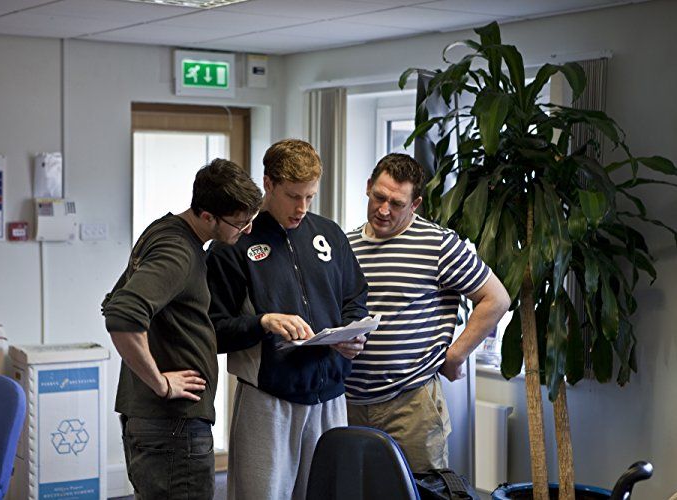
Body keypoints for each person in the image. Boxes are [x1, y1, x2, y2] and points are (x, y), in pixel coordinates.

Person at [206, 139, 369, 500]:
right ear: (268, 184)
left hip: (330, 398)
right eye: (294, 196)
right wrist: (262, 321)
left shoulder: (329, 233)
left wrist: (354, 332)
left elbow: (355, 296)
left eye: (310, 196)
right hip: (269, 399)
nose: (302, 208)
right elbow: (213, 330)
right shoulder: (234, 244)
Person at [101, 159, 262, 500]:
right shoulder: (179, 252)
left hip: (159, 423)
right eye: (239, 223)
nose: (247, 231)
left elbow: (114, 299)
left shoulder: (164, 231)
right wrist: (161, 383)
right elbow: (121, 314)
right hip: (172, 425)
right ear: (207, 216)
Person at [345, 153, 510, 474]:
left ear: (415, 204)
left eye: (397, 203)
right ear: (368, 187)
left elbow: (496, 298)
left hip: (410, 405)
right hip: (349, 402)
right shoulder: (346, 245)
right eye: (379, 197)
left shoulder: (439, 245)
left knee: (420, 492)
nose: (384, 210)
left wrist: (456, 355)